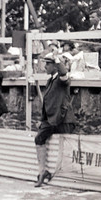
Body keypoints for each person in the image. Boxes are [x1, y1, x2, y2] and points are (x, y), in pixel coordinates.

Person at [33, 52, 76, 187]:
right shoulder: (50, 80)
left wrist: (58, 61)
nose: (45, 67)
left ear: (55, 66)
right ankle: (42, 172)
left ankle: (70, 177)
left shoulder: (61, 79)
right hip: (51, 120)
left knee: (69, 146)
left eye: (48, 64)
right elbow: (46, 103)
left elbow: (64, 74)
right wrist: (42, 120)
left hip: (64, 120)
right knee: (39, 139)